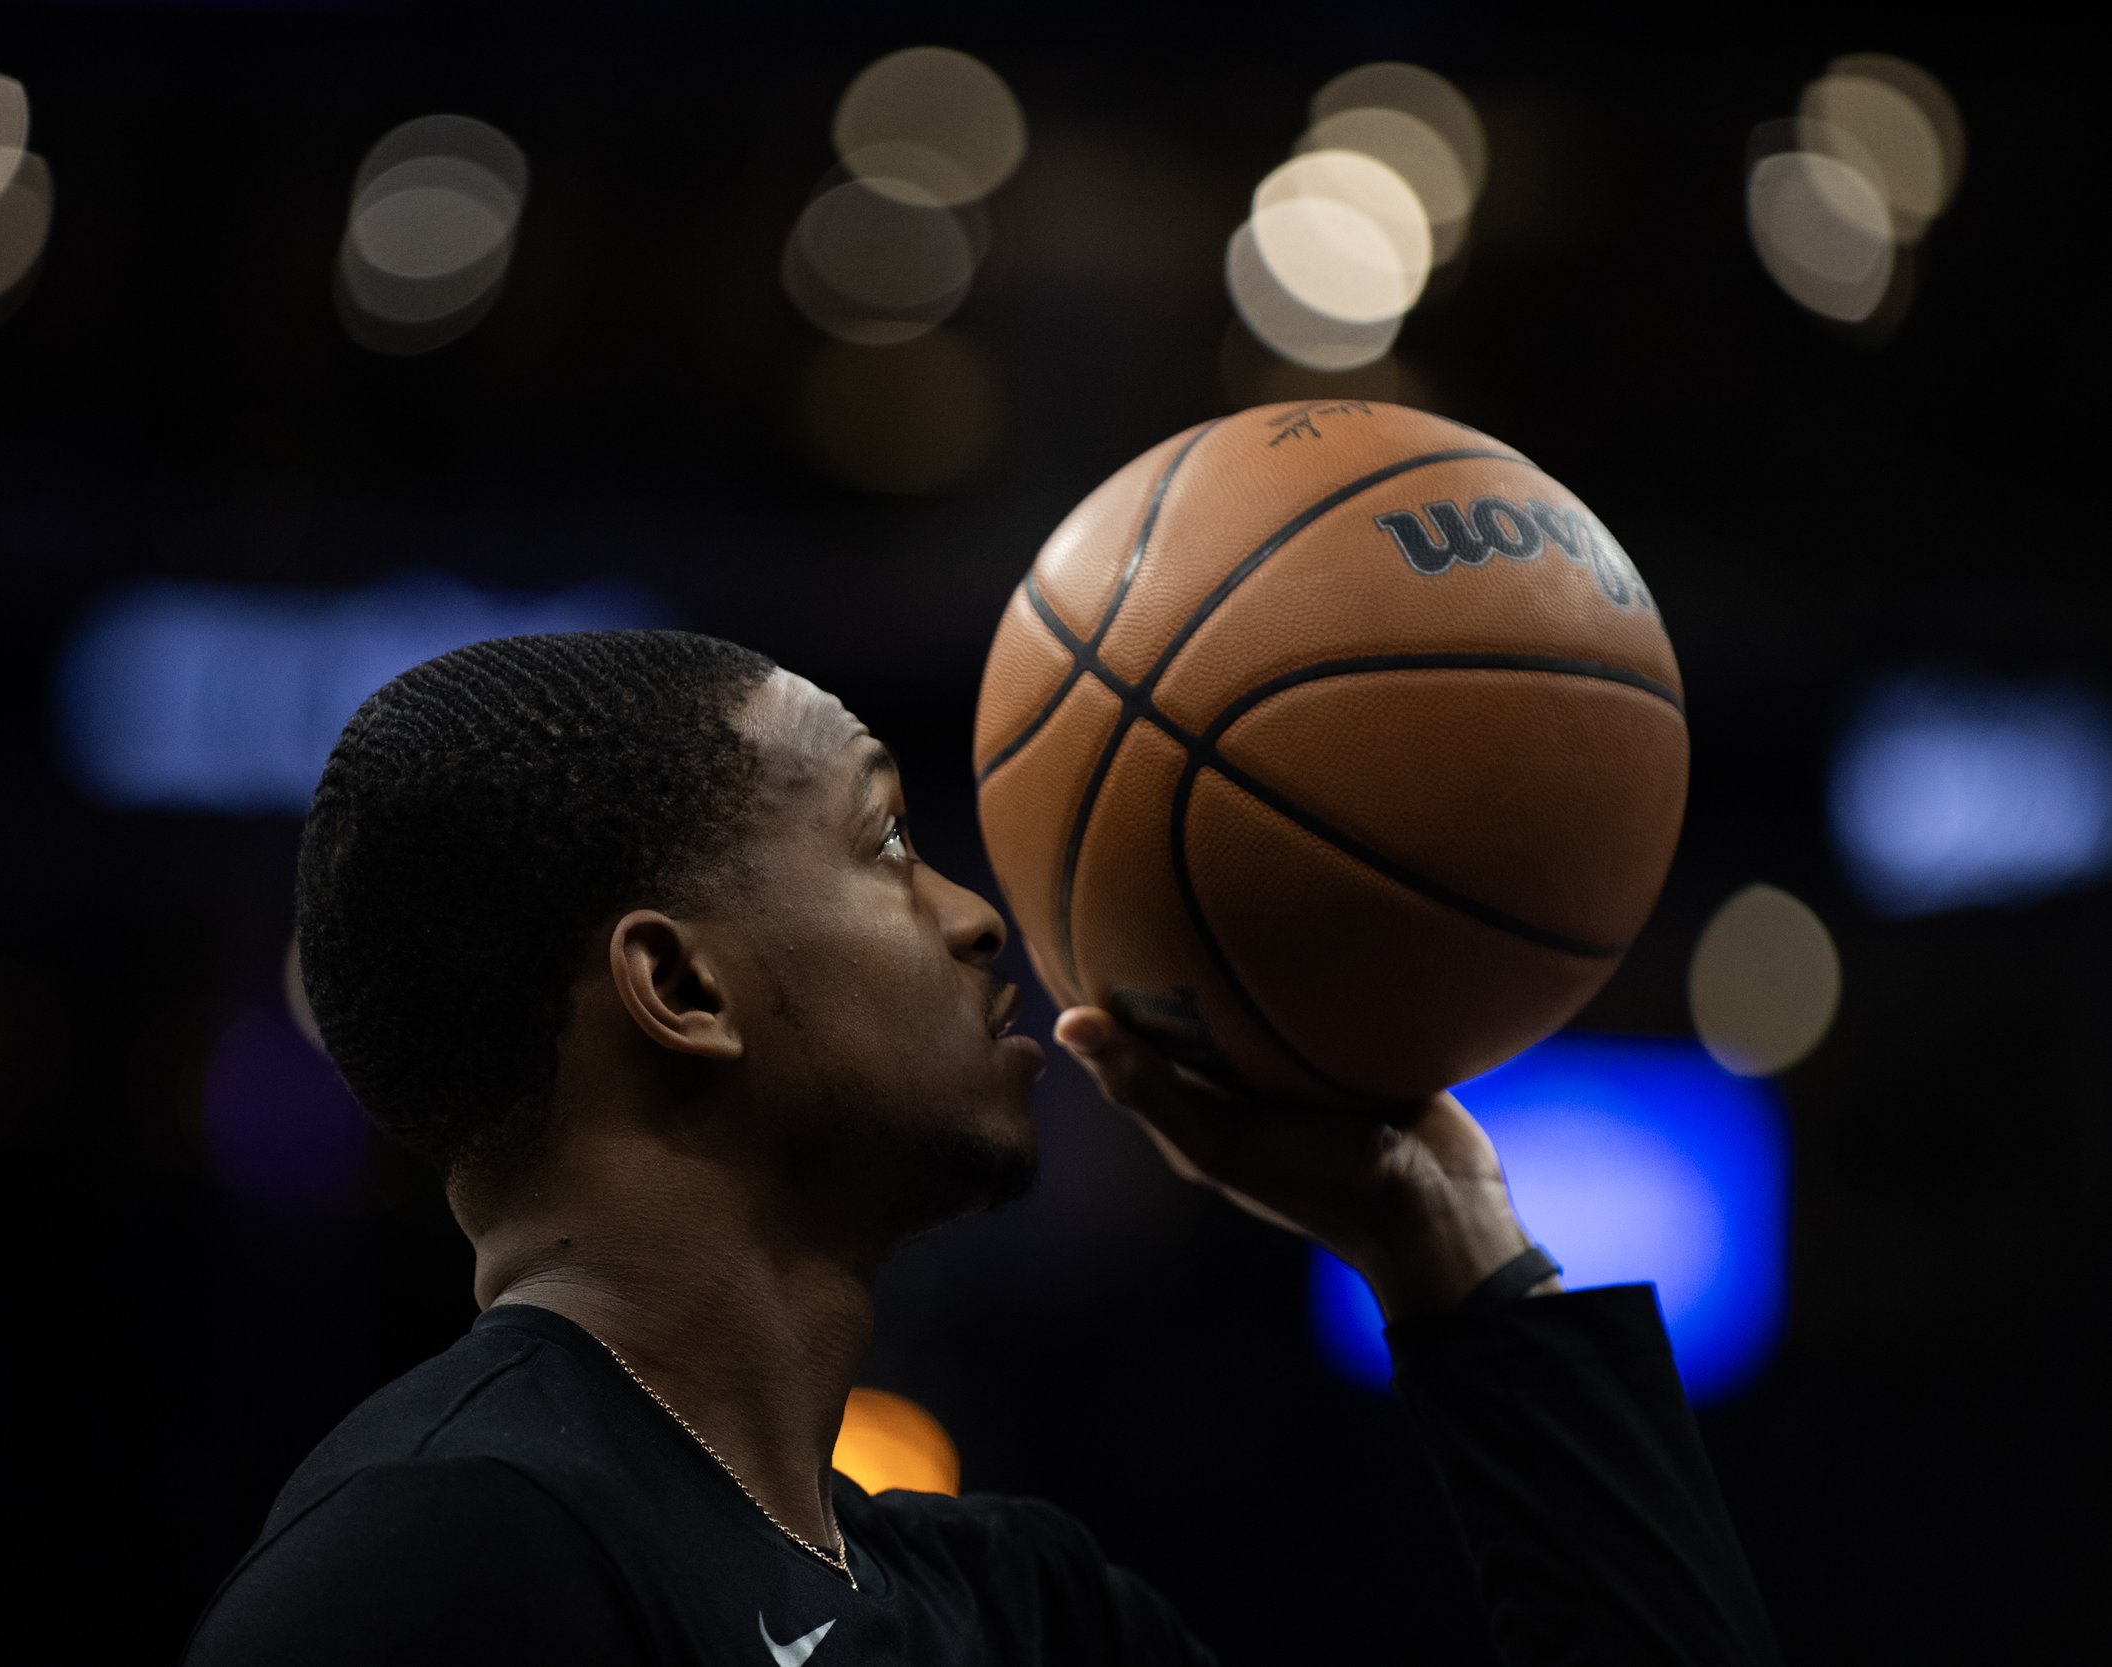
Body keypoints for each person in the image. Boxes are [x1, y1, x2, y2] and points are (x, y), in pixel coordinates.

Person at [183, 629, 1781, 1666]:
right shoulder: (447, 1559)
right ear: (678, 987)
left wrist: (1453, 1269)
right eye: (885, 842)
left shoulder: (1015, 1613)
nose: (975, 916)